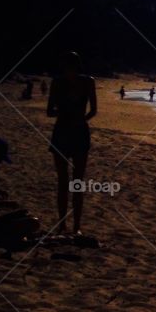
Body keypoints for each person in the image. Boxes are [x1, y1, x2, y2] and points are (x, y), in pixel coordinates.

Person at [47, 51, 96, 236]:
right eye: (68, 67)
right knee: (62, 182)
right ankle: (62, 224)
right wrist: (64, 114)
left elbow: (93, 110)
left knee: (77, 182)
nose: (70, 71)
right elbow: (49, 111)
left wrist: (81, 119)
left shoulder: (88, 81)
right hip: (62, 132)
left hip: (79, 132)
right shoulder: (57, 83)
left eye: (72, 67)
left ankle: (76, 225)